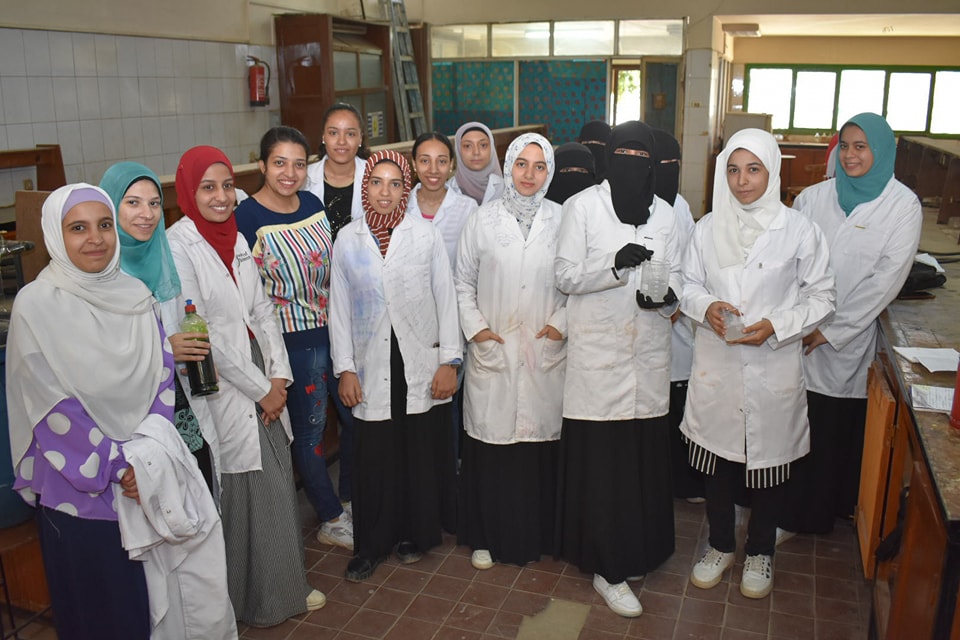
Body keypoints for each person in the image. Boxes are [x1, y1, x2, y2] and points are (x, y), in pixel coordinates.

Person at [5, 183, 233, 639]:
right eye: (78, 228)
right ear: (55, 236)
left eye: (104, 225)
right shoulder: (37, 306)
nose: (95, 238)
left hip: (146, 480)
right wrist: (119, 467)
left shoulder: (135, 295)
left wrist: (144, 459)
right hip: (81, 497)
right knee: (103, 615)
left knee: (157, 609)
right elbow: (49, 406)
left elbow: (161, 378)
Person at [167, 146, 325, 627]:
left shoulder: (235, 236)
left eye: (226, 186)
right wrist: (262, 390)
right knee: (241, 490)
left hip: (259, 370)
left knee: (274, 482)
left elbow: (261, 310)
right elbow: (201, 330)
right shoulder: (179, 245)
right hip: (221, 379)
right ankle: (244, 601)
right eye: (208, 188)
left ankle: (282, 589)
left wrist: (278, 375)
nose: (221, 197)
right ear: (189, 192)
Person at [680, 129, 835, 600]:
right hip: (719, 365)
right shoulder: (707, 228)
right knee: (718, 464)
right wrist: (705, 306)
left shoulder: (799, 230)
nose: (742, 181)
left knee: (769, 466)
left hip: (773, 364)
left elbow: (822, 296)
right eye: (733, 170)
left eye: (753, 170)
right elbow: (687, 283)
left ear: (772, 173)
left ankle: (760, 551)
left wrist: (777, 325)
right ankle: (720, 545)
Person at [555, 120, 682, 618]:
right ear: (608, 158)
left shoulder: (667, 214)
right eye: (622, 155)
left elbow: (681, 277)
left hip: (647, 357)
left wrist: (669, 300)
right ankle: (608, 567)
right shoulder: (582, 207)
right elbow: (564, 275)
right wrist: (613, 265)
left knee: (640, 463)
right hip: (598, 361)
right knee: (605, 469)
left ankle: (643, 551)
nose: (632, 164)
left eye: (641, 156)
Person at [780, 113, 922, 538]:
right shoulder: (813, 199)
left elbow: (885, 282)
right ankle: (788, 510)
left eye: (861, 146)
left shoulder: (902, 206)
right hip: (800, 328)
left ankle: (821, 512)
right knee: (794, 421)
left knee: (831, 426)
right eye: (844, 146)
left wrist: (830, 330)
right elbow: (789, 262)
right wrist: (798, 320)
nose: (850, 155)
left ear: (881, 150)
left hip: (848, 338)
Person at [329, 150, 460, 582]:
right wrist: (346, 368)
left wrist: (449, 360)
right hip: (370, 362)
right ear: (364, 187)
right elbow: (338, 309)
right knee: (375, 456)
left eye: (395, 183)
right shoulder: (347, 239)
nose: (384, 192)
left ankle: (412, 535)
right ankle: (371, 545)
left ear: (406, 189)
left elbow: (446, 298)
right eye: (375, 182)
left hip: (417, 359)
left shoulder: (425, 235)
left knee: (416, 451)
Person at [235, 126, 354, 550]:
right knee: (310, 432)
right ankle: (331, 517)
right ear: (262, 165)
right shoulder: (246, 218)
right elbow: (246, 293)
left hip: (334, 329)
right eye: (280, 163)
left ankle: (349, 497)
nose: (290, 173)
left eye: (299, 164)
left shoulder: (313, 204)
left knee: (356, 418)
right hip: (292, 341)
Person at [455, 132, 566, 571]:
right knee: (492, 448)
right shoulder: (482, 221)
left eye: (539, 166)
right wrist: (478, 331)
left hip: (543, 349)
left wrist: (560, 325)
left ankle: (538, 535)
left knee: (536, 449)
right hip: (494, 350)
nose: (529, 175)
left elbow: (575, 285)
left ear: (549, 172)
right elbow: (462, 283)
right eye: (522, 164)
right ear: (509, 167)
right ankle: (484, 536)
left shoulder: (563, 219)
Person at [100, 161, 221, 495]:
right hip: (133, 417)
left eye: (154, 203)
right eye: (133, 203)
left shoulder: (162, 258)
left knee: (197, 491)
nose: (147, 214)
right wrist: (166, 349)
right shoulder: (102, 276)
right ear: (110, 207)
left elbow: (182, 322)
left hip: (180, 404)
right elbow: (103, 359)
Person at [304, 102, 367, 508]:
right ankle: (335, 505)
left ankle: (352, 494)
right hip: (311, 307)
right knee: (318, 411)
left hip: (361, 307)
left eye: (350, 133)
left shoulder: (374, 175)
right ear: (322, 138)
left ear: (361, 139)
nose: (341, 141)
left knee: (356, 410)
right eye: (333, 132)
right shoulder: (303, 178)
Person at [648, 128, 704, 503]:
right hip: (646, 319)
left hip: (678, 319)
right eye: (661, 164)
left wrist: (677, 300)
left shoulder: (681, 206)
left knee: (677, 403)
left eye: (674, 164)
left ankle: (683, 482)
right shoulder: (635, 203)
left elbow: (692, 262)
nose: (668, 171)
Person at [407, 131, 478, 268]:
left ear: (451, 164)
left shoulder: (468, 208)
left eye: (442, 161)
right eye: (425, 161)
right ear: (414, 164)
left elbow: (471, 264)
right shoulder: (401, 205)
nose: (433, 170)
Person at [449, 122, 504, 205]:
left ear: (492, 149)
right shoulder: (448, 191)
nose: (476, 152)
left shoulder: (507, 188)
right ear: (459, 150)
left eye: (483, 145)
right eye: (468, 146)